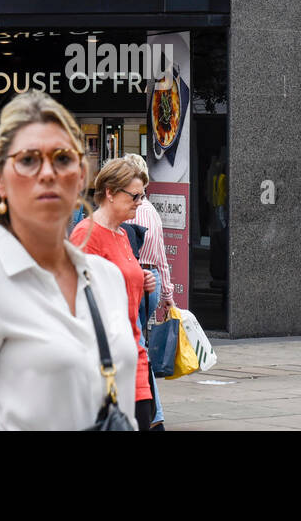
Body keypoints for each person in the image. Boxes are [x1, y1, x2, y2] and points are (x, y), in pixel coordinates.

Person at [0, 91, 137, 430]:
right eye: (27, 160)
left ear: (82, 175)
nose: (48, 173)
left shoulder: (106, 278)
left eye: (63, 158)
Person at [70, 157, 156, 430]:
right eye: (134, 195)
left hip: (134, 354)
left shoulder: (121, 234)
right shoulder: (87, 234)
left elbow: (120, 285)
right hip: (104, 364)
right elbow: (77, 300)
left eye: (142, 195)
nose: (139, 201)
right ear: (109, 192)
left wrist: (144, 280)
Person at [123, 153, 174, 431]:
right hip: (152, 278)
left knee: (138, 346)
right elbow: (163, 259)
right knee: (139, 345)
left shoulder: (133, 212)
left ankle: (154, 415)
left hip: (139, 279)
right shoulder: (152, 211)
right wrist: (167, 295)